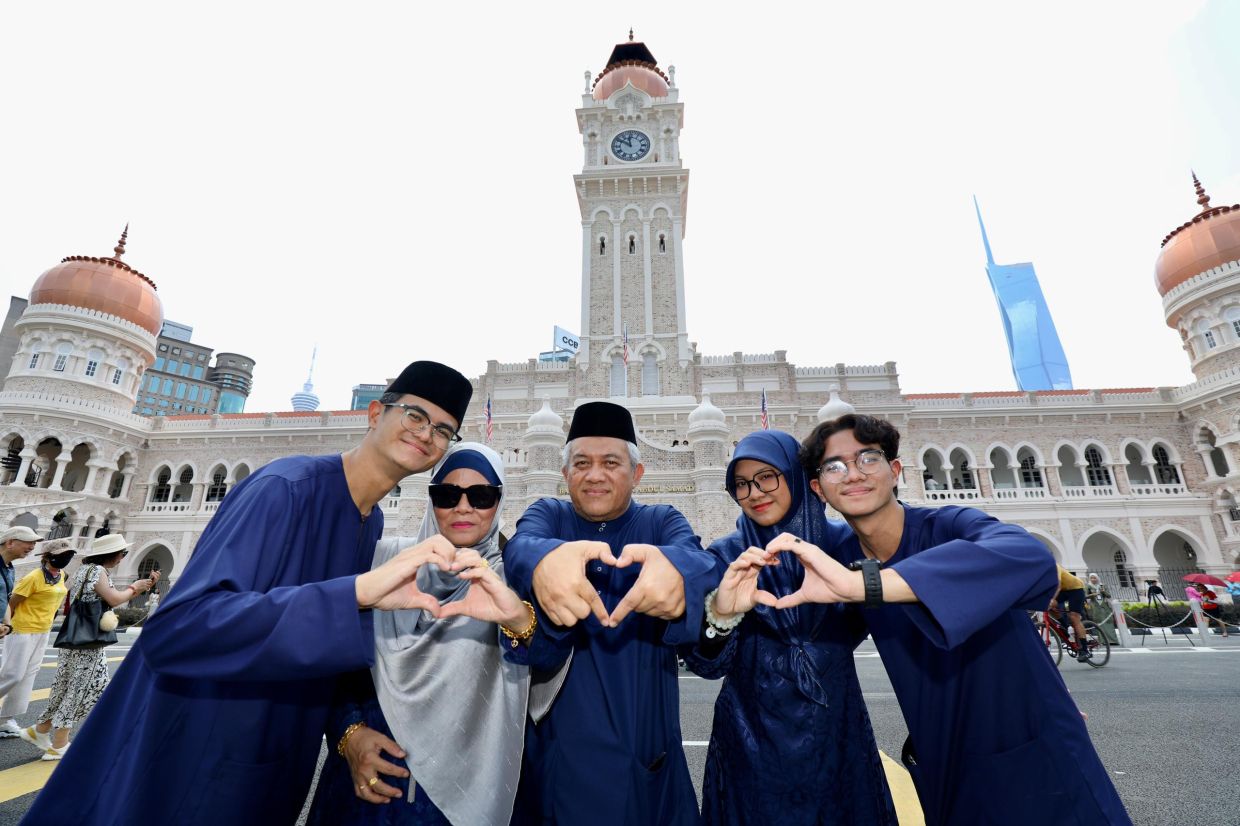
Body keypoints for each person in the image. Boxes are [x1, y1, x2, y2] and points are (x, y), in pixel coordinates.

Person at [24, 361, 477, 825]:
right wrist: (352, 594)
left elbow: (324, 646)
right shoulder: (284, 489)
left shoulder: (370, 522)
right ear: (375, 413)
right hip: (192, 755)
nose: (427, 435)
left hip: (272, 767)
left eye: (444, 430)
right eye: (415, 415)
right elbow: (178, 629)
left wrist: (349, 731)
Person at [770, 413, 1130, 825]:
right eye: (834, 466)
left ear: (895, 469)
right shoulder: (841, 562)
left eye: (868, 458)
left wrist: (869, 586)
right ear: (819, 489)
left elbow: (1030, 559)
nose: (853, 474)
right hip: (944, 755)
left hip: (1033, 750)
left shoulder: (950, 526)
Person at [308, 442, 560, 826]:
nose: (463, 507)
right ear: (431, 501)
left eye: (480, 496)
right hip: (373, 785)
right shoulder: (386, 563)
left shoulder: (518, 578)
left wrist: (517, 618)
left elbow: (552, 662)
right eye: (446, 495)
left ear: (499, 502)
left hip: (472, 787)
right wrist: (350, 735)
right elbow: (337, 662)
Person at [503, 401, 716, 825]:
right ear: (565, 474)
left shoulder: (660, 521)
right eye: (581, 463)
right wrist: (549, 559)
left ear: (636, 474)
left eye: (611, 463)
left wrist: (674, 571)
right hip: (558, 746)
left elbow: (699, 562)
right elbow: (521, 546)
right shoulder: (550, 514)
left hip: (643, 740)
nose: (595, 474)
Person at [681, 430, 897, 825]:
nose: (754, 492)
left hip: (837, 728)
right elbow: (706, 663)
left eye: (767, 476)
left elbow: (886, 619)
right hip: (751, 735)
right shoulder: (729, 556)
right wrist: (723, 614)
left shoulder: (844, 545)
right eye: (742, 485)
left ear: (795, 476)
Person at [18, 534, 157, 759]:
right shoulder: (98, 571)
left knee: (67, 683)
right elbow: (113, 599)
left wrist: (138, 588)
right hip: (88, 641)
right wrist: (134, 587)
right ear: (112, 554)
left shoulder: (85, 569)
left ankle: (41, 729)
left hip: (75, 636)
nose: (123, 557)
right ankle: (59, 742)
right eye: (123, 553)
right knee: (86, 686)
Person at [0, 540, 73, 738]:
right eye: (61, 554)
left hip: (43, 630)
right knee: (12, 674)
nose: (66, 558)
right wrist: (7, 624)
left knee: (27, 677)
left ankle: (5, 720)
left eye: (68, 554)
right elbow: (11, 603)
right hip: (22, 630)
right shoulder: (33, 577)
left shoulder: (62, 576)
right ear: (47, 556)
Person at [0, 526, 40, 644]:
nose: (32, 547)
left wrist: (7, 625)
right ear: (10, 542)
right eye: (29, 542)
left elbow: (6, 597)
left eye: (34, 543)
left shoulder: (9, 568)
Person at [1051, 565, 1092, 661]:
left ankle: (1085, 651)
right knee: (1049, 608)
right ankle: (1066, 628)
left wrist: (1052, 599)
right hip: (1064, 591)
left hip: (1076, 588)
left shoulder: (1053, 565)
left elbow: (1058, 585)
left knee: (1074, 617)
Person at [1085, 573, 1118, 644]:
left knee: (1108, 622)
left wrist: (1103, 591)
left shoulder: (1102, 585)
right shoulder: (1088, 586)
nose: (1093, 579)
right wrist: (1092, 595)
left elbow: (1109, 595)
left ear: (1097, 578)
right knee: (1099, 623)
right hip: (1095, 607)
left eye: (1094, 578)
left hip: (1105, 606)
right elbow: (1085, 596)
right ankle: (1103, 641)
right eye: (1092, 578)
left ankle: (1112, 640)